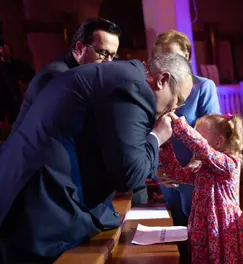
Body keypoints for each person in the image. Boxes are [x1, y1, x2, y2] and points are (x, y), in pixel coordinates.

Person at [0, 53, 194, 263]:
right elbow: (130, 175)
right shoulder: (135, 88)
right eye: (178, 100)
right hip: (42, 203)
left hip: (29, 187)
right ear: (162, 79)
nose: (175, 110)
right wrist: (157, 136)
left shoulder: (123, 76)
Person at [159, 113, 243, 264]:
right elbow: (177, 174)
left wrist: (180, 126)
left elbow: (203, 149)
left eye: (199, 134)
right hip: (203, 226)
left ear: (218, 141)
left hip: (223, 228)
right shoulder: (203, 167)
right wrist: (165, 145)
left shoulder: (230, 164)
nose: (194, 138)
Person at [152, 30, 220, 261]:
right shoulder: (156, 89)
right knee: (174, 240)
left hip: (196, 177)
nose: (169, 65)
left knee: (199, 240)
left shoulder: (203, 87)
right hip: (166, 177)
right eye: (162, 59)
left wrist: (194, 165)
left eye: (174, 57)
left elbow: (212, 134)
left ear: (188, 56)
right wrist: (156, 169)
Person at [12, 17, 121, 132]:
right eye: (103, 53)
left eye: (112, 56)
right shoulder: (56, 77)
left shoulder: (82, 74)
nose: (109, 63)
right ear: (79, 48)